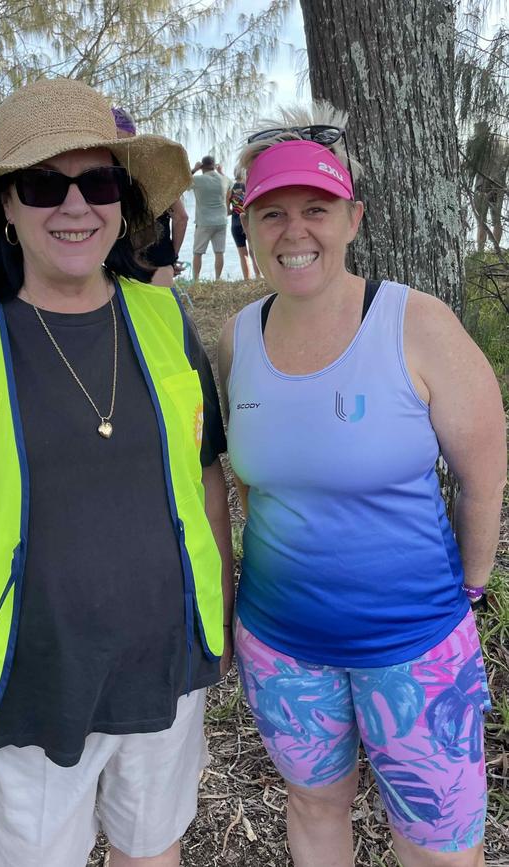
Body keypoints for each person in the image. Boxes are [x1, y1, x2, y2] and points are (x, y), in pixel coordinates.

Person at [0, 78, 234, 867]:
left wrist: (217, 623)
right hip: (23, 686)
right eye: (43, 184)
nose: (74, 206)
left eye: (97, 182)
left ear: (123, 202)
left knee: (152, 849)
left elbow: (206, 483)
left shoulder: (166, 321)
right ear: (5, 205)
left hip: (162, 673)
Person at [218, 106, 506, 867]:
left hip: (414, 646)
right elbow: (254, 487)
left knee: (439, 846)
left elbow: (482, 479)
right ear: (246, 225)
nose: (294, 231)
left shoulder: (417, 324)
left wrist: (468, 591)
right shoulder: (237, 338)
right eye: (270, 213)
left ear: (354, 217)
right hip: (282, 646)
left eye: (316, 209)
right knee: (314, 806)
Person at [112, 106, 189, 288]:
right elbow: (181, 217)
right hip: (158, 262)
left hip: (116, 266)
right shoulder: (156, 173)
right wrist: (172, 256)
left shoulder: (103, 174)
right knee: (163, 315)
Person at [191, 155, 230, 281]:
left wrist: (194, 169)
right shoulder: (223, 179)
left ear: (202, 166)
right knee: (219, 252)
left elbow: (182, 182)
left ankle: (196, 280)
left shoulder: (198, 180)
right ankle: (218, 279)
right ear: (214, 165)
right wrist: (221, 172)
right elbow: (231, 184)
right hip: (221, 221)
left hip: (204, 221)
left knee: (198, 252)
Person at [226, 168, 260, 280]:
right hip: (248, 222)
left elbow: (227, 211)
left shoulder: (231, 189)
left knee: (243, 254)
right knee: (253, 251)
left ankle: (247, 279)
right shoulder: (250, 187)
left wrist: (234, 210)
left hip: (235, 223)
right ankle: (259, 276)